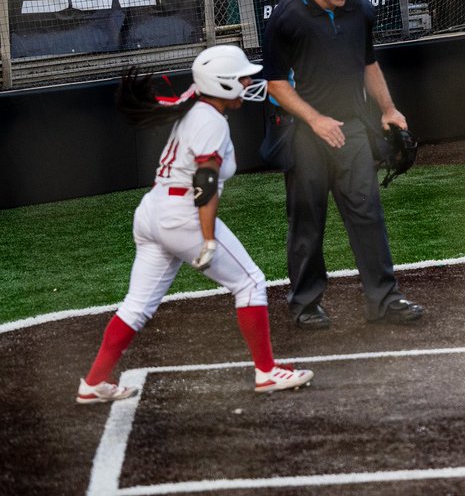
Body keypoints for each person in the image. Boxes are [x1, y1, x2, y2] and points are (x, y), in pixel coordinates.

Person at [76, 46, 314, 404]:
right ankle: (266, 373)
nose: (247, 82)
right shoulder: (210, 120)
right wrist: (207, 239)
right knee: (250, 283)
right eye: (240, 78)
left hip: (153, 211)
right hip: (182, 214)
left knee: (137, 306)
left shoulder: (197, 103)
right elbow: (205, 181)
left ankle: (94, 382)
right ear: (221, 84)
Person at [262, 0, 424, 328]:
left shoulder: (360, 11)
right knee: (307, 220)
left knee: (367, 213)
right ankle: (305, 304)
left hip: (351, 130)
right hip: (304, 132)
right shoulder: (288, 16)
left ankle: (384, 300)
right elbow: (274, 84)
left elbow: (368, 64)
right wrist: (316, 120)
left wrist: (388, 109)